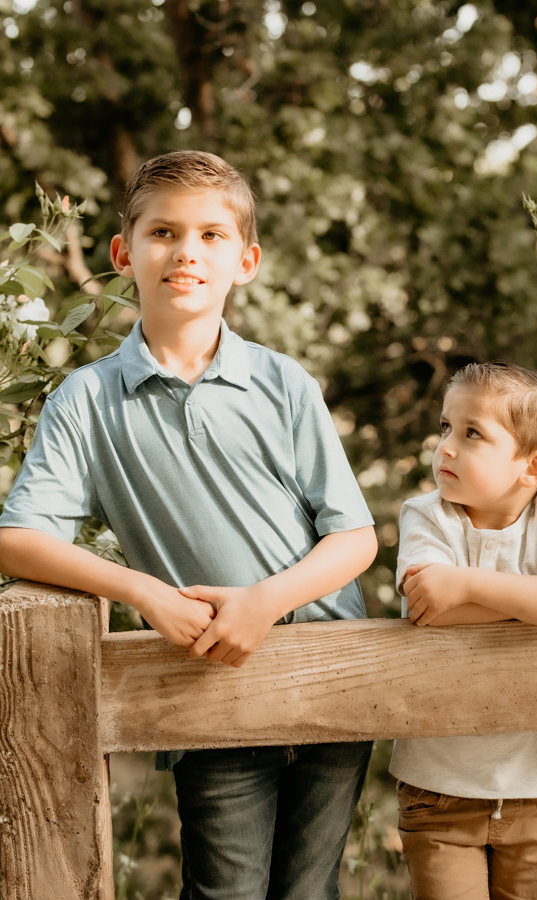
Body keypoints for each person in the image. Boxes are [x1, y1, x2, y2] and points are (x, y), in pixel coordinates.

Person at [0, 150, 378, 900]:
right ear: (123, 254)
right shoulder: (88, 401)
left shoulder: (282, 382)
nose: (186, 252)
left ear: (246, 262)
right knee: (226, 890)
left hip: (329, 669)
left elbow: (355, 537)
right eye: (164, 232)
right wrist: (146, 592)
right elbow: (18, 538)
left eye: (211, 235)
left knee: (311, 892)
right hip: (208, 680)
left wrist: (266, 600)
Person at [391, 361, 537, 900]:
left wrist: (464, 585)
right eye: (445, 427)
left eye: (472, 434)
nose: (445, 447)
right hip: (439, 790)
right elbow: (430, 608)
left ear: (533, 467)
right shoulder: (428, 515)